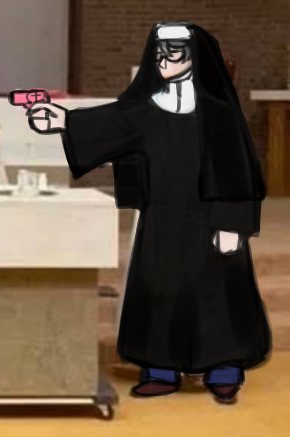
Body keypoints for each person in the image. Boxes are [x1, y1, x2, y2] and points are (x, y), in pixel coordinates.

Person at [21, 21, 271, 404]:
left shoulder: (219, 114)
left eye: (173, 52)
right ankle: (161, 370)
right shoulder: (148, 110)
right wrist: (62, 120)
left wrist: (233, 224)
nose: (163, 60)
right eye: (159, 53)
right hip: (162, 218)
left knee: (216, 292)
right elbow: (112, 123)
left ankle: (223, 370)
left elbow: (239, 170)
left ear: (195, 57)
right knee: (159, 288)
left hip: (212, 218)